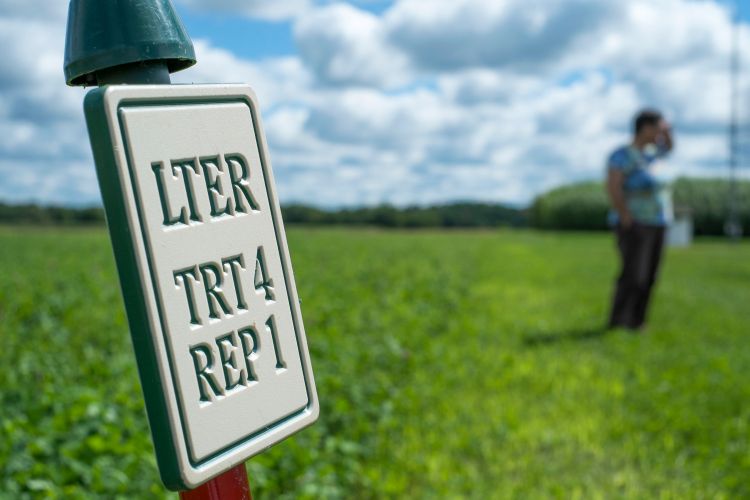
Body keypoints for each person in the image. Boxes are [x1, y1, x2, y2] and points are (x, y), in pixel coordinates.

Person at [606, 109, 674, 331]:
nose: (660, 134)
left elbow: (670, 147)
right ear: (645, 128)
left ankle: (637, 321)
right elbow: (613, 187)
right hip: (635, 223)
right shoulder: (622, 155)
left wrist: (668, 131)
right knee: (634, 274)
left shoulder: (654, 154)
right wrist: (626, 217)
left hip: (658, 222)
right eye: (657, 128)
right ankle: (619, 321)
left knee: (650, 276)